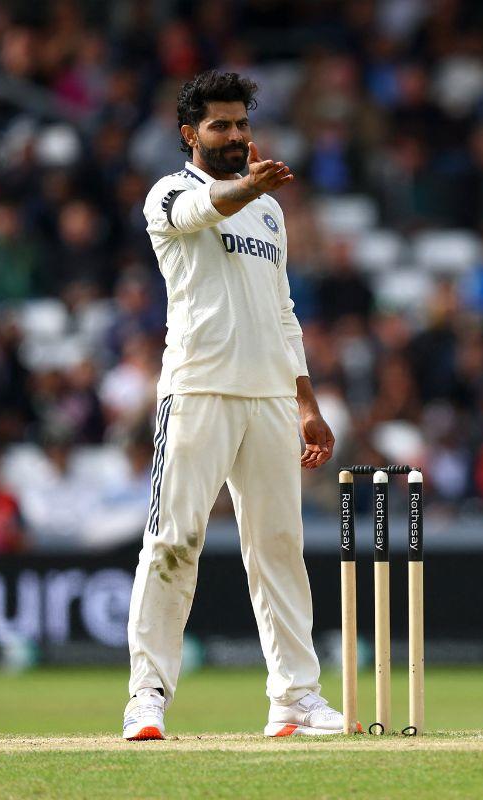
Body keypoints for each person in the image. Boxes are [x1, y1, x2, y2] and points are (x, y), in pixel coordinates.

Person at [122, 71, 339, 741]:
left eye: (243, 124)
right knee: (173, 543)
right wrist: (249, 186)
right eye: (222, 125)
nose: (237, 135)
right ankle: (147, 697)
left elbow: (282, 310)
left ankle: (296, 699)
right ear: (191, 134)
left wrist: (306, 401)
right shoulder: (170, 194)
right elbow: (202, 212)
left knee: (279, 548)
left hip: (270, 397)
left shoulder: (268, 210)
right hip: (197, 392)